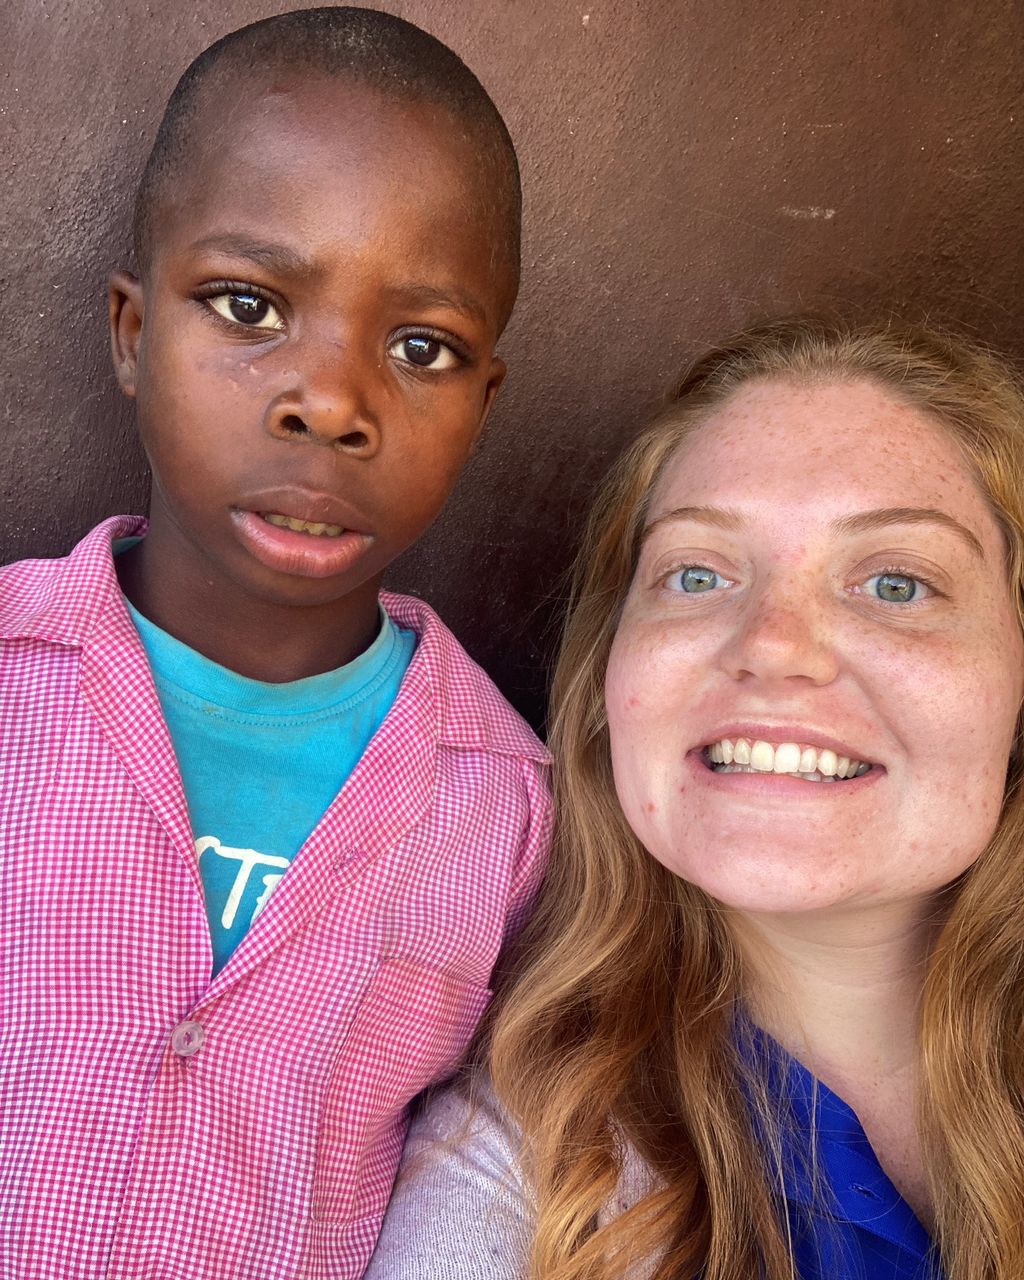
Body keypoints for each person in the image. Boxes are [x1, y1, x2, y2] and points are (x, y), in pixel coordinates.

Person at [0, 9, 551, 1278]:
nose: (333, 401)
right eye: (249, 305)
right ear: (133, 333)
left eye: (421, 347)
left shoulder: (511, 818)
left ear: (482, 404)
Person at [365, 317, 1024, 1280]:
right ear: (607, 678)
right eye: (698, 573)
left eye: (896, 582)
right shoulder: (523, 1185)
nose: (774, 644)